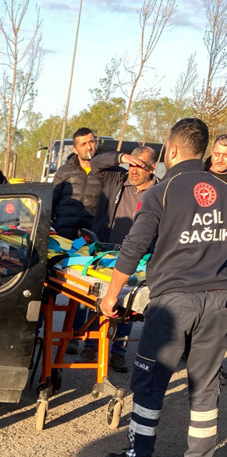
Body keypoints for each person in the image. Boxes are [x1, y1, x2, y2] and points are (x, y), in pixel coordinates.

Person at [101, 118, 227, 457]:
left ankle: (138, 454)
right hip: (219, 301)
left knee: (150, 380)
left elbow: (134, 246)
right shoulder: (224, 190)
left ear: (171, 150)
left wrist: (111, 295)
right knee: (206, 385)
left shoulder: (163, 190)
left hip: (173, 303)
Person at [74, 146, 159, 372]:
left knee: (128, 307)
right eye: (131, 164)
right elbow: (96, 163)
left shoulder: (160, 191)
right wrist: (121, 157)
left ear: (152, 167)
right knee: (100, 301)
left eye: (139, 165)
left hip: (138, 259)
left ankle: (118, 352)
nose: (133, 170)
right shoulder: (117, 179)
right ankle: (92, 346)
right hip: (107, 255)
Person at [51, 127, 105, 239]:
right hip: (63, 234)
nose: (89, 147)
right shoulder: (64, 171)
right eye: (83, 144)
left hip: (92, 235)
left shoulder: (105, 172)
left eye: (91, 142)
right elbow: (52, 200)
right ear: (75, 150)